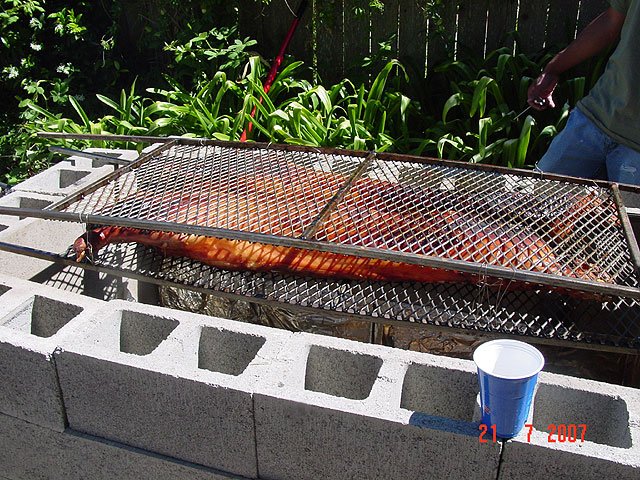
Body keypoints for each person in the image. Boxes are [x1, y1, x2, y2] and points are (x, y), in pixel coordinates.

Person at [528, 0, 640, 185]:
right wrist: (553, 68)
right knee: (537, 196)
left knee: (626, 208)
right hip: (594, 116)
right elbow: (612, 19)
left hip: (636, 150)